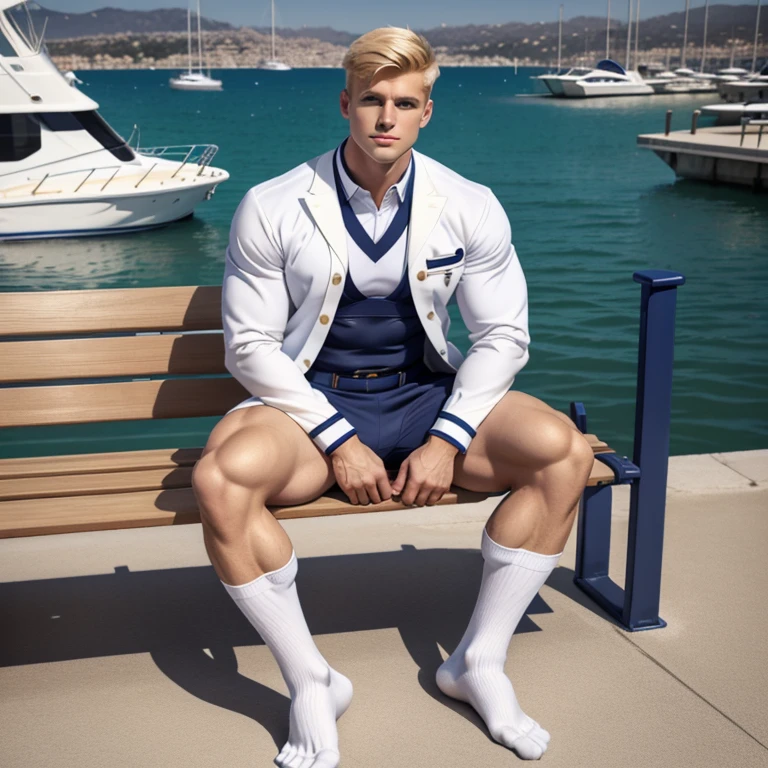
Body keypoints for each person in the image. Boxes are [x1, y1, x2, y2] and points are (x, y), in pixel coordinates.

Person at [192, 26, 594, 767]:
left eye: (404, 103)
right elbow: (248, 347)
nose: (386, 118)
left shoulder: (468, 203)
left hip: (425, 399)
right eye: (372, 99)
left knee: (563, 453)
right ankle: (311, 680)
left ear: (426, 113)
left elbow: (503, 334)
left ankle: (477, 663)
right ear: (345, 103)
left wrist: (447, 438)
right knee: (220, 478)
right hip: (311, 406)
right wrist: (339, 440)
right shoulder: (273, 203)